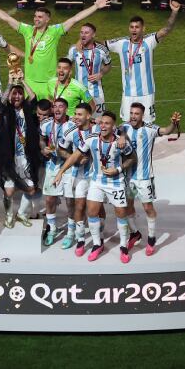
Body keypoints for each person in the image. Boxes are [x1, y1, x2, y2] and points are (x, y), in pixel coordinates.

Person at [0, 0, 111, 100]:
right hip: (30, 82)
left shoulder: (55, 31)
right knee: (30, 116)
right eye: (35, 16)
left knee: (49, 115)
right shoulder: (27, 30)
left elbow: (75, 19)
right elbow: (7, 18)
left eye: (39, 17)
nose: (36, 19)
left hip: (49, 82)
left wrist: (96, 6)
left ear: (47, 19)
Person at [55, 110, 134, 263]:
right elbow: (75, 155)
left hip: (116, 183)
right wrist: (61, 172)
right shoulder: (91, 139)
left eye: (107, 123)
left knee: (121, 214)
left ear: (113, 126)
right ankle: (97, 244)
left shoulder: (120, 142)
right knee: (91, 212)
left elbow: (132, 158)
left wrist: (118, 169)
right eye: (102, 123)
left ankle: (123, 246)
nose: (103, 126)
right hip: (97, 182)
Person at [106, 1, 182, 123]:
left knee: (147, 124)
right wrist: (86, 40)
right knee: (127, 124)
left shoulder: (149, 41)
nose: (134, 30)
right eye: (131, 27)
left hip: (147, 93)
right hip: (128, 93)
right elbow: (102, 45)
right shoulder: (121, 43)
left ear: (143, 28)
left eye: (137, 27)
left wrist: (174, 12)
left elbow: (166, 30)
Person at [122, 104, 182, 257]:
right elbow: (110, 129)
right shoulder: (123, 127)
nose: (133, 116)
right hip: (129, 178)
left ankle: (151, 237)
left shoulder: (150, 129)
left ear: (142, 116)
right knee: (127, 206)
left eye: (136, 114)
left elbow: (166, 131)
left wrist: (174, 124)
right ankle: (135, 233)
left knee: (148, 207)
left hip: (144, 178)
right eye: (131, 113)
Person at [0, 83, 41, 229]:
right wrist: (10, 84)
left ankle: (21, 214)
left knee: (31, 189)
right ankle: (9, 216)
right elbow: (0, 103)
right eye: (14, 94)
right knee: (8, 191)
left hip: (25, 156)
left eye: (20, 93)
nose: (17, 96)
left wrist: (23, 81)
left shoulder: (27, 109)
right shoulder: (6, 110)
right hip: (9, 156)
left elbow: (33, 97)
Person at [58, 103, 99, 251]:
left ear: (89, 116)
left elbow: (118, 133)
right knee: (79, 207)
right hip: (80, 175)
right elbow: (61, 149)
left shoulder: (98, 129)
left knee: (97, 208)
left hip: (98, 176)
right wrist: (73, 158)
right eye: (75, 114)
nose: (75, 117)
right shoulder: (71, 132)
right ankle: (80, 238)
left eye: (79, 114)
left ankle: (98, 232)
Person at [39, 97, 76, 246]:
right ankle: (53, 229)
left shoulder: (73, 125)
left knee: (70, 201)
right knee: (49, 199)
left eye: (61, 106)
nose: (57, 109)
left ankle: (71, 232)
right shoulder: (46, 124)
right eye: (55, 107)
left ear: (66, 109)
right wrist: (43, 148)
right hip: (52, 165)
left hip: (69, 167)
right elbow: (41, 139)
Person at [67, 23, 112, 114]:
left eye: (86, 33)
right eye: (81, 32)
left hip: (96, 92)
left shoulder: (102, 50)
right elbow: (66, 64)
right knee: (78, 121)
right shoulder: (74, 49)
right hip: (77, 92)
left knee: (98, 121)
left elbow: (108, 65)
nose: (83, 35)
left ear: (93, 35)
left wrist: (101, 73)